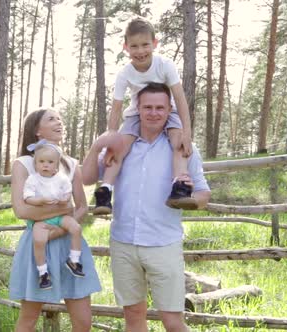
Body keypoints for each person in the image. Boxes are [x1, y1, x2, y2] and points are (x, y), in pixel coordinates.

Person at [82, 83, 211, 332]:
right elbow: (87, 178)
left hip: (163, 243)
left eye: (160, 107)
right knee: (133, 316)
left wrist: (191, 199)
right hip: (123, 243)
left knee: (173, 322)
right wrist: (97, 145)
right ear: (137, 109)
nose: (154, 113)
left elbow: (204, 193)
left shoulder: (183, 148)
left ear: (169, 109)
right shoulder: (121, 146)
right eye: (148, 107)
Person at [92, 17, 197, 215]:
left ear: (155, 43)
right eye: (134, 46)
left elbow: (180, 99)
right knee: (119, 148)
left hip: (168, 109)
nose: (140, 51)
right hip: (136, 113)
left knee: (179, 143)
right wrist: (110, 141)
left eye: (145, 45)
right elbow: (116, 108)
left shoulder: (165, 65)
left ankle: (179, 186)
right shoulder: (125, 73)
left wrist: (187, 131)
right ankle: (105, 191)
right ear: (126, 47)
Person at [9, 108, 102, 332]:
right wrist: (63, 210)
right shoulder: (24, 164)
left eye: (60, 118)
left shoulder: (70, 164)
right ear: (36, 131)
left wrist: (59, 229)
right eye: (51, 119)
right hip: (38, 242)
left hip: (69, 244)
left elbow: (81, 207)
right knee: (28, 318)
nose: (59, 122)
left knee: (83, 322)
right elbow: (21, 210)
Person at [23, 140, 85, 290]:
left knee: (75, 228)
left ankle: (74, 260)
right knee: (39, 240)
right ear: (35, 164)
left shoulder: (61, 178)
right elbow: (27, 197)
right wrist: (40, 200)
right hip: (41, 219)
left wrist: (65, 199)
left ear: (56, 165)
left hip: (61, 216)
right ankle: (43, 273)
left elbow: (67, 192)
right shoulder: (33, 179)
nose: (45, 165)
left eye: (50, 162)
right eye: (41, 162)